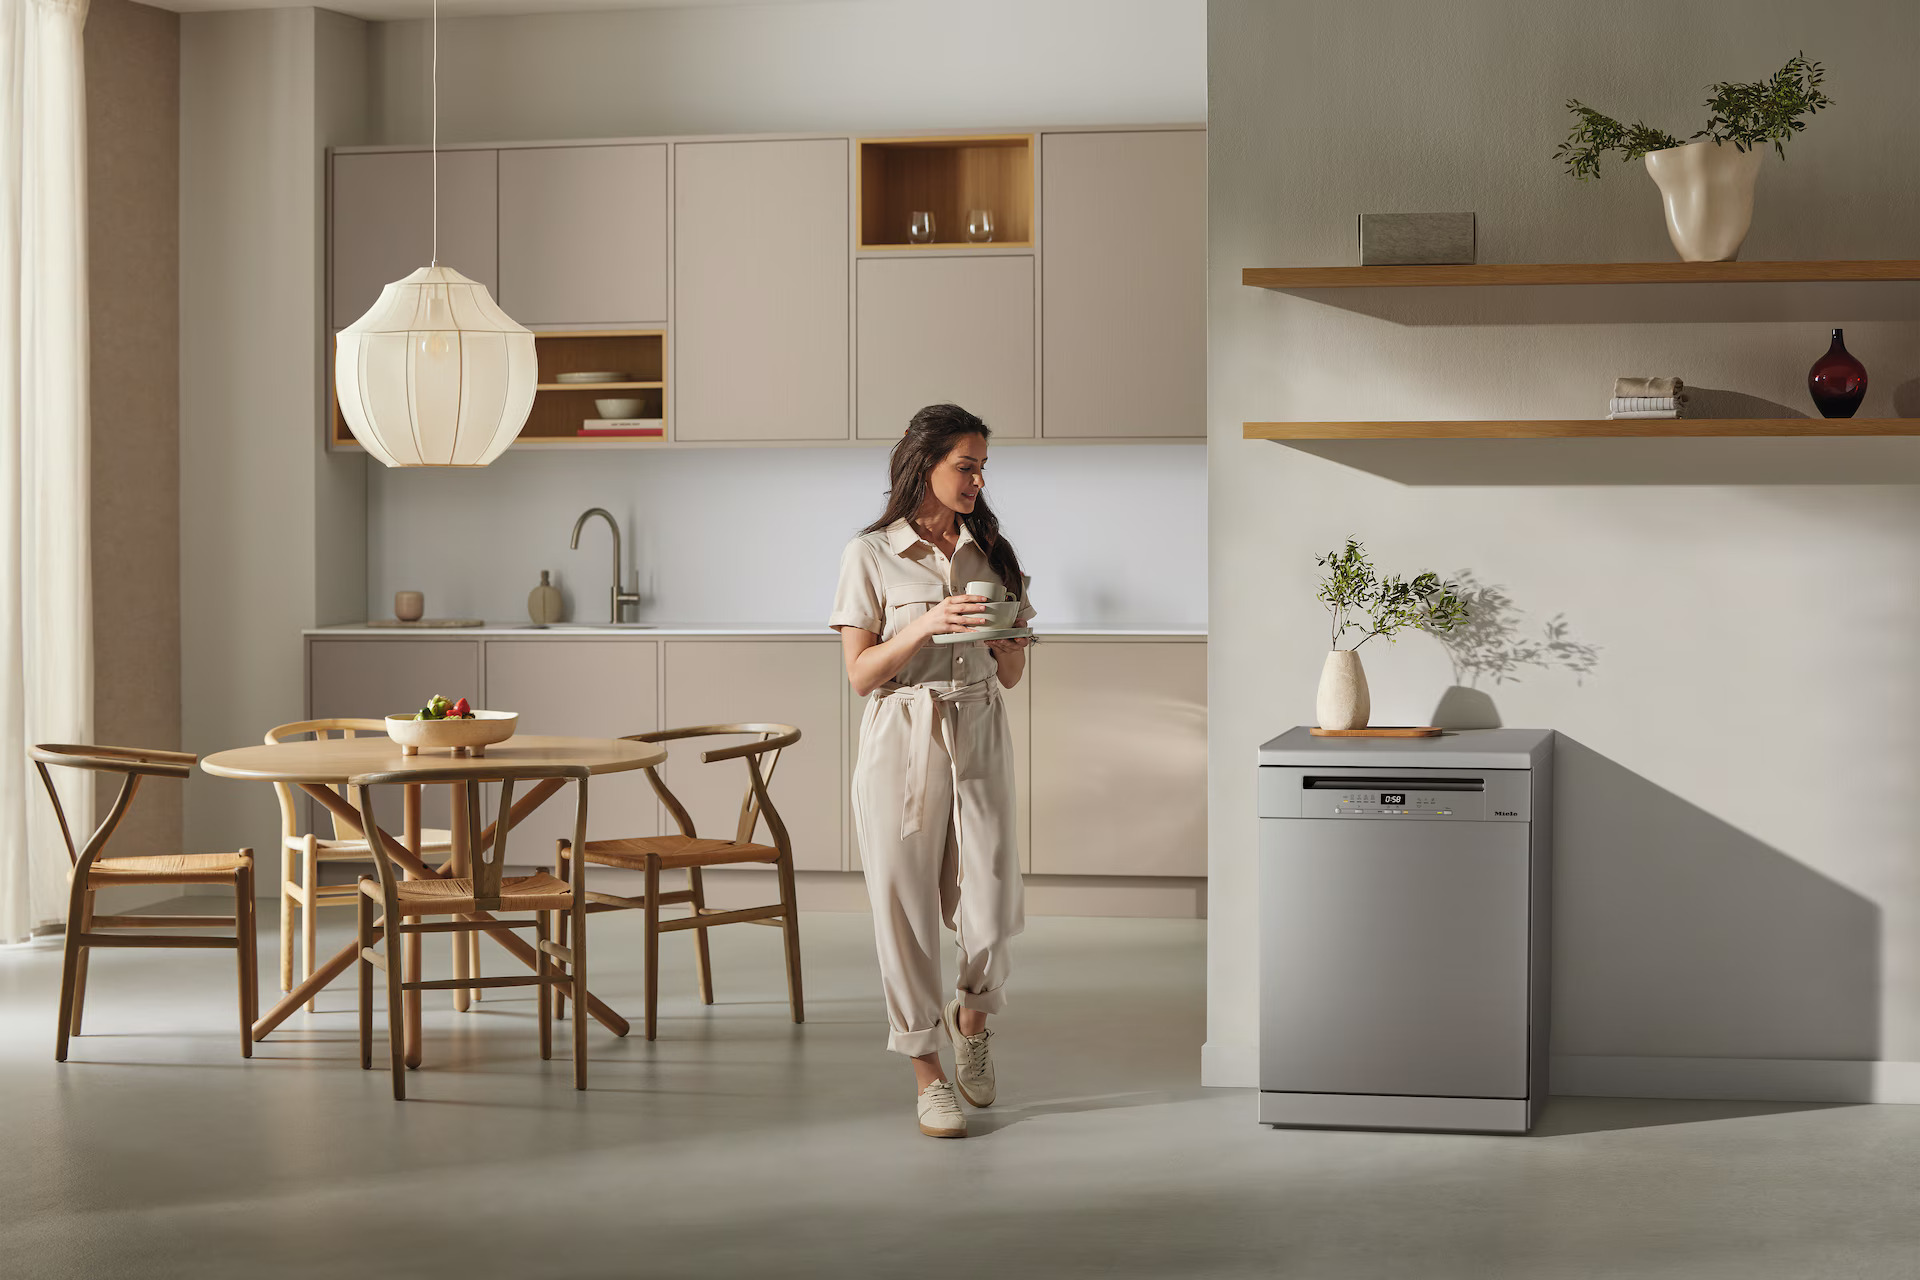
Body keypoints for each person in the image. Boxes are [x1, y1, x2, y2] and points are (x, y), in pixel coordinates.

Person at [829, 403, 1033, 1139]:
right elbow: (858, 674)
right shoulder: (870, 554)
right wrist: (924, 624)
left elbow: (1009, 674)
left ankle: (972, 1017)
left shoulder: (992, 552)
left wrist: (1011, 643)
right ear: (925, 464)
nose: (978, 480)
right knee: (906, 906)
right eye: (966, 465)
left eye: (982, 467)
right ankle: (927, 1073)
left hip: (977, 722)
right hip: (902, 733)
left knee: (992, 894)